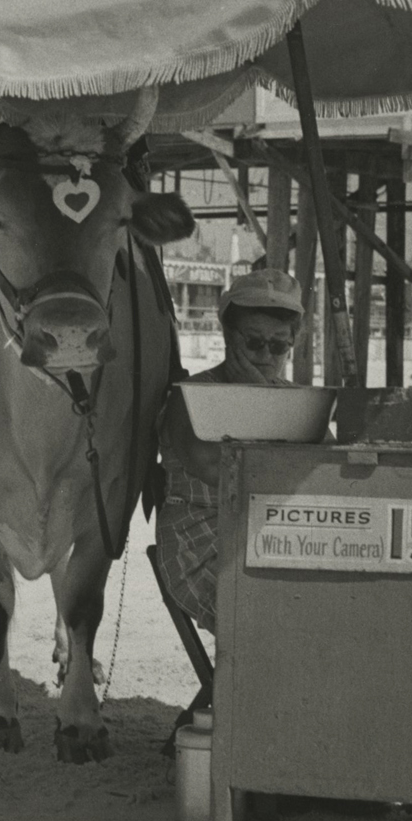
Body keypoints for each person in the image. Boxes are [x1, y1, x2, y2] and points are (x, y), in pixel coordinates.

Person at [154, 268, 306, 632]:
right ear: (228, 335)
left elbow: (327, 469)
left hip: (274, 538)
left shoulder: (292, 399)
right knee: (275, 618)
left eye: (279, 346)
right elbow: (211, 466)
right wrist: (257, 398)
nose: (265, 356)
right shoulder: (191, 395)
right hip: (203, 543)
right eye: (254, 343)